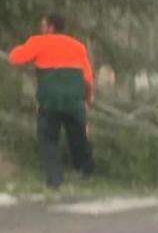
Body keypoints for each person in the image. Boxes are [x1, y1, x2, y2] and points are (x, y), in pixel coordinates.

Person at [8, 13, 94, 188]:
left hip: (49, 102)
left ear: (51, 28)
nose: (41, 28)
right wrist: (87, 99)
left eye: (43, 25)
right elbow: (87, 79)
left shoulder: (39, 42)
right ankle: (86, 175)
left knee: (48, 139)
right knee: (79, 140)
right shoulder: (78, 47)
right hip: (74, 102)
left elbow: (15, 58)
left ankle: (54, 180)